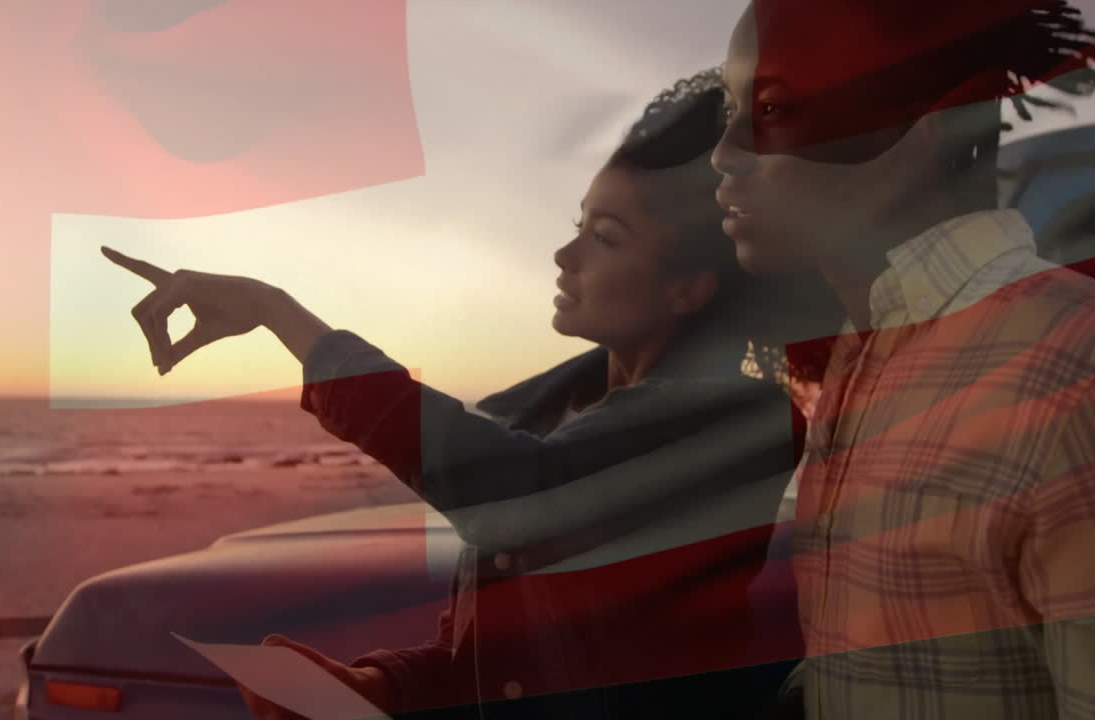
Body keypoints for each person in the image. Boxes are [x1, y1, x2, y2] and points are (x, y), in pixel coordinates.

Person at [105, 69, 834, 719]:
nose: (564, 255)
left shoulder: (735, 424)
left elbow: (521, 500)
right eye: (577, 225)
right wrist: (380, 687)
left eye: (606, 237)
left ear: (691, 287)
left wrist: (279, 314)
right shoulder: (545, 412)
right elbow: (499, 659)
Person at [713, 1, 1095, 718]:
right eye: (730, 110)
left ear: (930, 130)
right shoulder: (863, 363)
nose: (724, 153)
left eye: (773, 108)